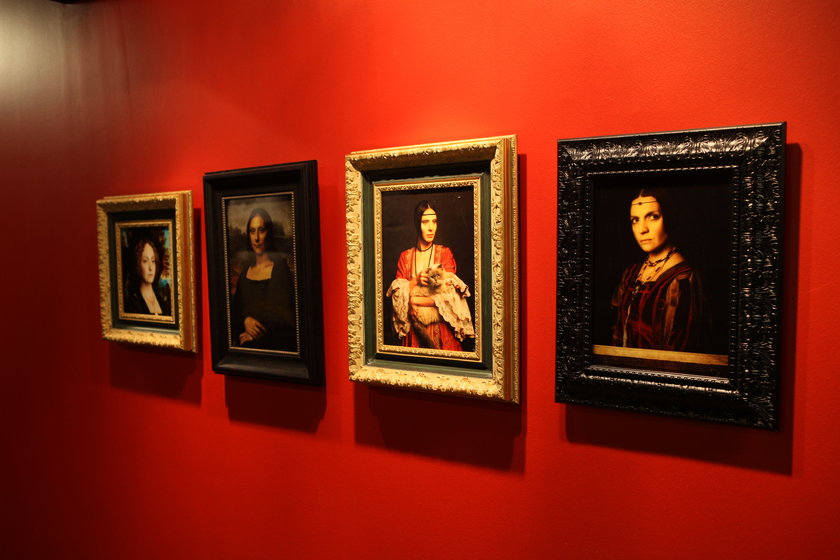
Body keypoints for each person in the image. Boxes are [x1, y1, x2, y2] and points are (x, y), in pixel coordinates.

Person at [611, 188, 705, 352]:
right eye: (635, 220)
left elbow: (678, 352)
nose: (642, 229)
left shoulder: (683, 279)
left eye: (653, 217)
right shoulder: (630, 274)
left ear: (669, 217)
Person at [387, 200, 474, 350]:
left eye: (434, 221)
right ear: (417, 223)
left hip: (442, 333)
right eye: (425, 222)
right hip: (414, 334)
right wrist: (415, 281)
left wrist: (414, 300)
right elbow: (396, 298)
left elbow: (450, 297)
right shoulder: (405, 257)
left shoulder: (444, 253)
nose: (430, 228)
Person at [230, 207, 297, 351]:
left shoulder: (279, 268)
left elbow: (286, 320)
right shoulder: (246, 270)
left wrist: (256, 334)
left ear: (269, 233)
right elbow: (234, 313)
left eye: (261, 230)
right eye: (252, 231)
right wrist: (245, 321)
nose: (256, 238)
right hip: (245, 349)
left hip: (273, 349)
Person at [125, 238, 171, 316]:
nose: (150, 268)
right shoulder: (134, 302)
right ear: (138, 264)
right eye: (145, 261)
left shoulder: (161, 300)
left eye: (153, 261)